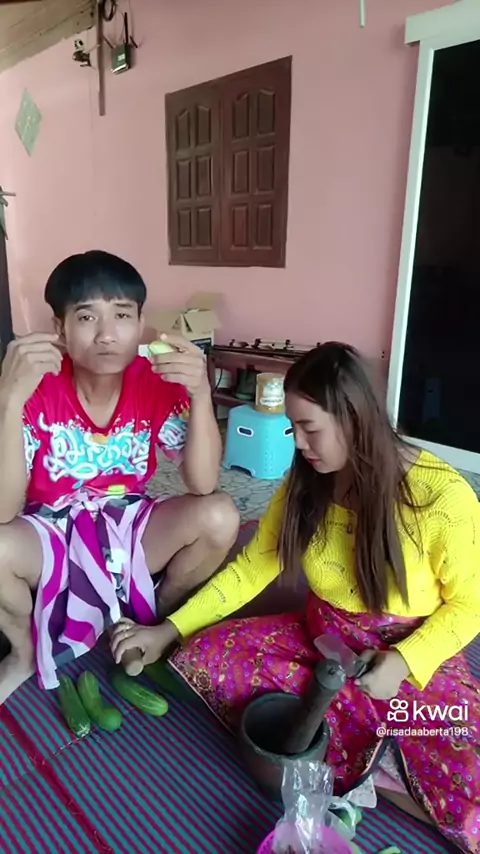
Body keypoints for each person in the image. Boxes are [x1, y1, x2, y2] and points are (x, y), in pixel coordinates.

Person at [112, 342, 480, 854]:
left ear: (353, 419)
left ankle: (366, 773)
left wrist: (403, 660)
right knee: (205, 655)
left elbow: (470, 607)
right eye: (293, 426)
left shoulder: (442, 499)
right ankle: (371, 763)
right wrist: (167, 629)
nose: (299, 442)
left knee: (467, 779)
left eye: (310, 428)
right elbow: (251, 569)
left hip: (411, 659)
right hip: (321, 642)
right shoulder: (307, 483)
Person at [0, 249, 239, 704]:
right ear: (59, 328)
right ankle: (24, 651)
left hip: (127, 523)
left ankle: (154, 622)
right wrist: (7, 401)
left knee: (219, 515)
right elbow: (2, 510)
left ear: (141, 322)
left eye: (123, 315)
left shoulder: (155, 382)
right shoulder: (35, 385)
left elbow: (203, 484)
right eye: (87, 316)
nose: (107, 334)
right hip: (48, 527)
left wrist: (201, 394)